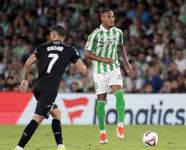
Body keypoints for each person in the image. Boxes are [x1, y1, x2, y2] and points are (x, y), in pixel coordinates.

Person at [14, 25, 86, 150]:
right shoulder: (70, 50)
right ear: (64, 37)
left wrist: (25, 79)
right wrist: (76, 66)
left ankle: (60, 145)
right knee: (37, 118)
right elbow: (83, 71)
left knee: (57, 113)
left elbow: (27, 64)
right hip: (50, 89)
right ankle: (19, 147)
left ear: (52, 35)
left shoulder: (42, 47)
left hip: (37, 87)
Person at [84, 9, 133, 144]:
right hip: (99, 71)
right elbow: (86, 53)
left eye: (113, 17)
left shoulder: (118, 32)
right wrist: (102, 59)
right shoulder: (95, 35)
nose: (112, 19)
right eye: (108, 17)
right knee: (101, 98)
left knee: (119, 94)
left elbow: (121, 47)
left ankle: (120, 127)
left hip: (114, 68)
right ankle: (102, 133)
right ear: (102, 18)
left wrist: (126, 63)